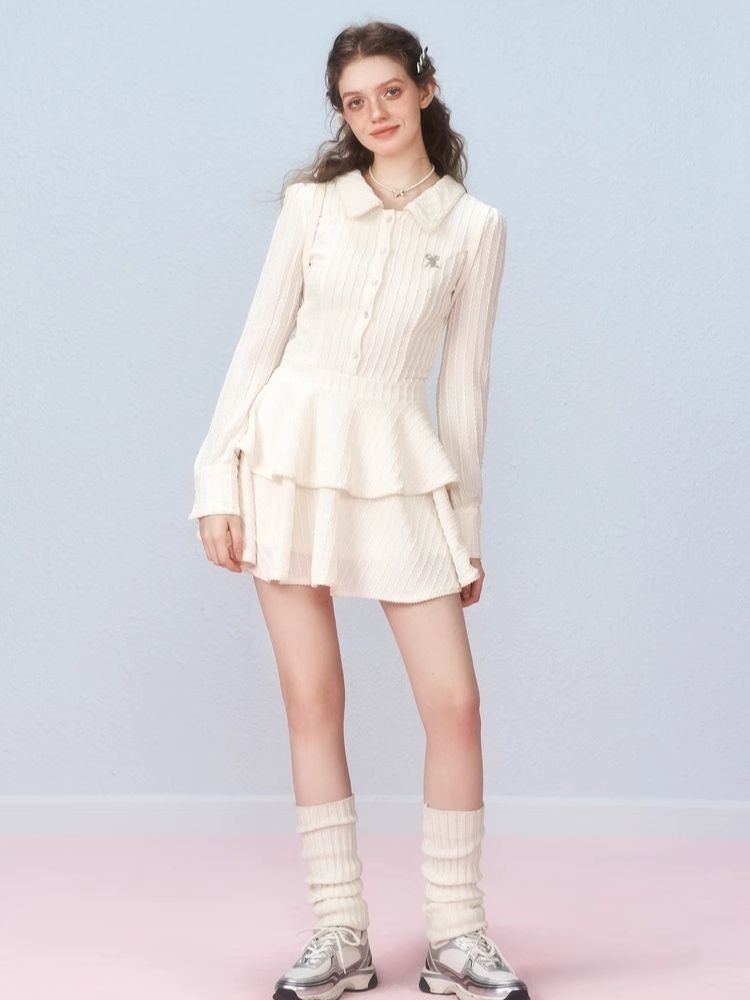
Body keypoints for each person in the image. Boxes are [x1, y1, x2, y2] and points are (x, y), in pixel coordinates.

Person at [187, 20, 530, 1000]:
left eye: (389, 91)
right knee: (312, 700)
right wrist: (215, 479)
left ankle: (457, 938)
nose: (374, 113)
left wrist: (465, 527)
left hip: (398, 466)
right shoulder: (313, 205)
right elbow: (257, 346)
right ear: (341, 112)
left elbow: (463, 390)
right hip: (286, 459)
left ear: (425, 88)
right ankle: (338, 934)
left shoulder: (474, 227)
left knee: (454, 705)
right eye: (354, 100)